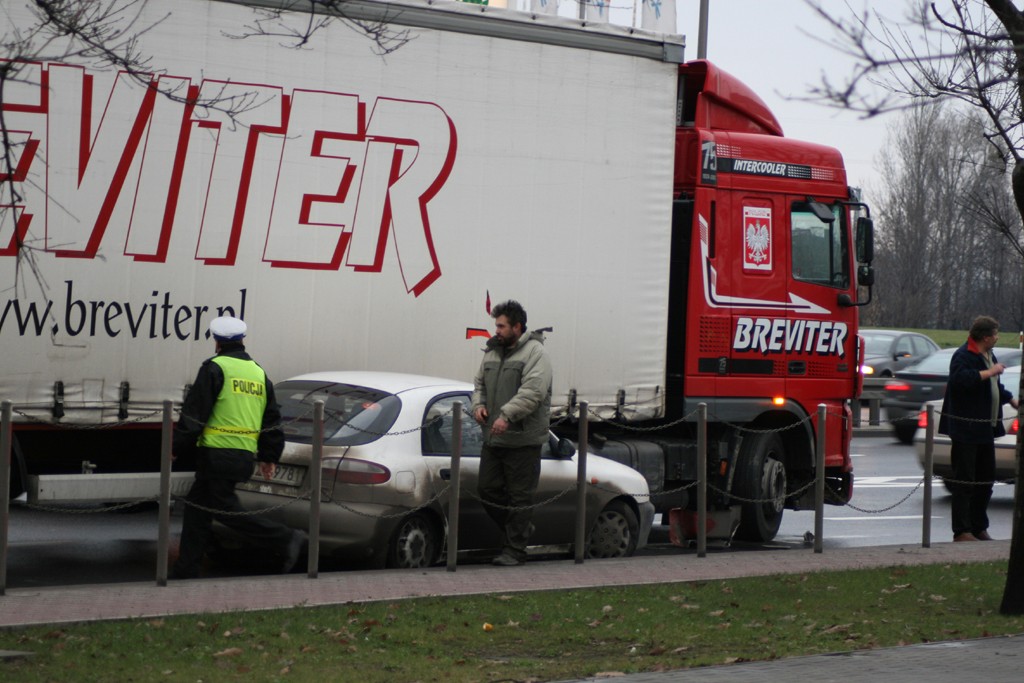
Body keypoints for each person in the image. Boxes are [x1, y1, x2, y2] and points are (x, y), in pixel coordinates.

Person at [171, 316, 305, 579]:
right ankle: (186, 569)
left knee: (225, 509)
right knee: (197, 510)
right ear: (242, 340)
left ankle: (287, 539)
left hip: (216, 453)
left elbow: (195, 413)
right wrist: (269, 456)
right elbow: (272, 419)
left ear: (216, 342)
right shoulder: (258, 373)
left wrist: (177, 445)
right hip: (243, 455)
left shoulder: (214, 368)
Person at [471, 300, 553, 567]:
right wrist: (479, 405)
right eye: (496, 325)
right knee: (487, 489)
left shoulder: (535, 353)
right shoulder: (492, 351)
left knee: (520, 497)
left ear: (517, 327)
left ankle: (515, 550)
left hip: (523, 439)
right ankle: (519, 528)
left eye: (502, 326)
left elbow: (533, 392)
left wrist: (506, 415)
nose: (497, 330)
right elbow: (479, 383)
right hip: (493, 437)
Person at [938, 315, 1019, 543]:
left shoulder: (988, 355)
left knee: (986, 479)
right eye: (995, 334)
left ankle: (978, 526)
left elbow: (993, 386)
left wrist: (1010, 400)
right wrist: (990, 372)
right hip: (966, 429)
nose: (997, 337)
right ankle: (962, 531)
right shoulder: (964, 356)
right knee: (965, 481)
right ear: (985, 337)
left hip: (985, 428)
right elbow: (961, 380)